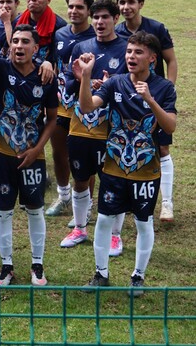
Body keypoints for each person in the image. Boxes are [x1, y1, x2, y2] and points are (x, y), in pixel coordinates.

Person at [78, 32, 176, 296]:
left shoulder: (164, 88)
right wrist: (86, 77)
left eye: (138, 52)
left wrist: (150, 101)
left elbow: (170, 126)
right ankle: (101, 273)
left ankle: (138, 277)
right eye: (129, 51)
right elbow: (87, 107)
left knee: (143, 223)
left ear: (153, 59)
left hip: (146, 172)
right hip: (113, 169)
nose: (131, 56)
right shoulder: (116, 83)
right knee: (104, 219)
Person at [0, 12, 58, 286]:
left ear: (36, 48)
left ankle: (38, 265)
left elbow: (53, 118)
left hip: (33, 157)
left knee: (35, 210)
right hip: (1, 155)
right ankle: (7, 265)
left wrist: (37, 150)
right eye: (16, 41)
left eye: (25, 42)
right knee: (3, 212)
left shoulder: (46, 77)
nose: (19, 46)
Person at [61, 0, 128, 249]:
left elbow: (132, 85)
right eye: (97, 17)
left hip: (111, 130)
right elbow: (69, 81)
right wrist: (82, 80)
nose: (100, 22)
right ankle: (79, 229)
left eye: (105, 17)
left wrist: (110, 85)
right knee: (80, 179)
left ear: (115, 19)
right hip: (80, 127)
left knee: (113, 181)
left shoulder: (126, 49)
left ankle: (114, 234)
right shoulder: (81, 47)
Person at [114, 0, 177, 222]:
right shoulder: (117, 31)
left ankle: (167, 203)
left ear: (141, 4)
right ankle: (130, 198)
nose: (126, 6)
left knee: (161, 148)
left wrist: (166, 89)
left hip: (153, 96)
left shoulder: (156, 28)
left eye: (131, 2)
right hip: (128, 99)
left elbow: (170, 60)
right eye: (122, 2)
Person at [45, 0, 96, 220]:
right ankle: (64, 196)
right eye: (71, 7)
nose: (74, 11)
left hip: (84, 105)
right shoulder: (60, 33)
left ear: (89, 11)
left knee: (86, 156)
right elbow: (54, 64)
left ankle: (88, 203)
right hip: (60, 103)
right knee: (58, 151)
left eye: (80, 7)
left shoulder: (95, 37)